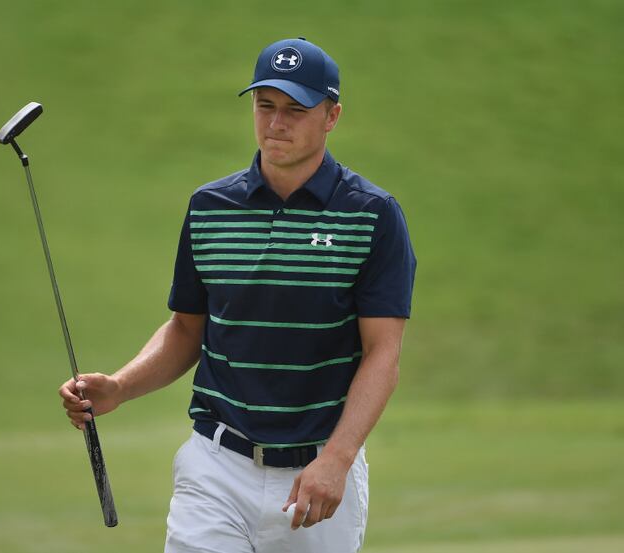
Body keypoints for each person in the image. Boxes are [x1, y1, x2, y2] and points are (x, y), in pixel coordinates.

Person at [59, 37, 416, 553]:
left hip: (317, 474)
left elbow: (384, 352)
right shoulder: (210, 207)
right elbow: (187, 328)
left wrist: (337, 458)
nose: (276, 123)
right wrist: (119, 386)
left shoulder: (372, 215)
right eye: (265, 106)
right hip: (216, 467)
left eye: (296, 110)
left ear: (332, 115)